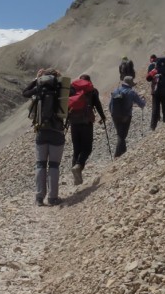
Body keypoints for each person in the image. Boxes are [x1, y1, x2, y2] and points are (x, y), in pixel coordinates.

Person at [23, 68, 66, 205]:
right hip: (57, 132)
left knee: (40, 164)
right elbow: (73, 93)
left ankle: (39, 198)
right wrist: (61, 79)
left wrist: (36, 79)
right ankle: (53, 198)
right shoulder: (60, 87)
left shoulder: (39, 88)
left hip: (41, 131)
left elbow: (24, 93)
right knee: (54, 165)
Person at [66, 73, 106, 185]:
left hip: (74, 123)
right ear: (89, 81)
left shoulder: (72, 90)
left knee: (76, 149)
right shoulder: (92, 91)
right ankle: (79, 165)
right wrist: (102, 116)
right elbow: (97, 104)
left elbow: (67, 104)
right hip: (86, 123)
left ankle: (76, 178)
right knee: (87, 148)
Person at [108, 76, 146, 157]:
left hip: (115, 116)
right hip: (126, 117)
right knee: (122, 136)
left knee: (120, 134)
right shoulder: (131, 92)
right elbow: (141, 104)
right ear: (130, 84)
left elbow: (110, 105)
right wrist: (144, 100)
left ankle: (124, 152)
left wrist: (113, 114)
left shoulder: (116, 91)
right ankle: (117, 155)